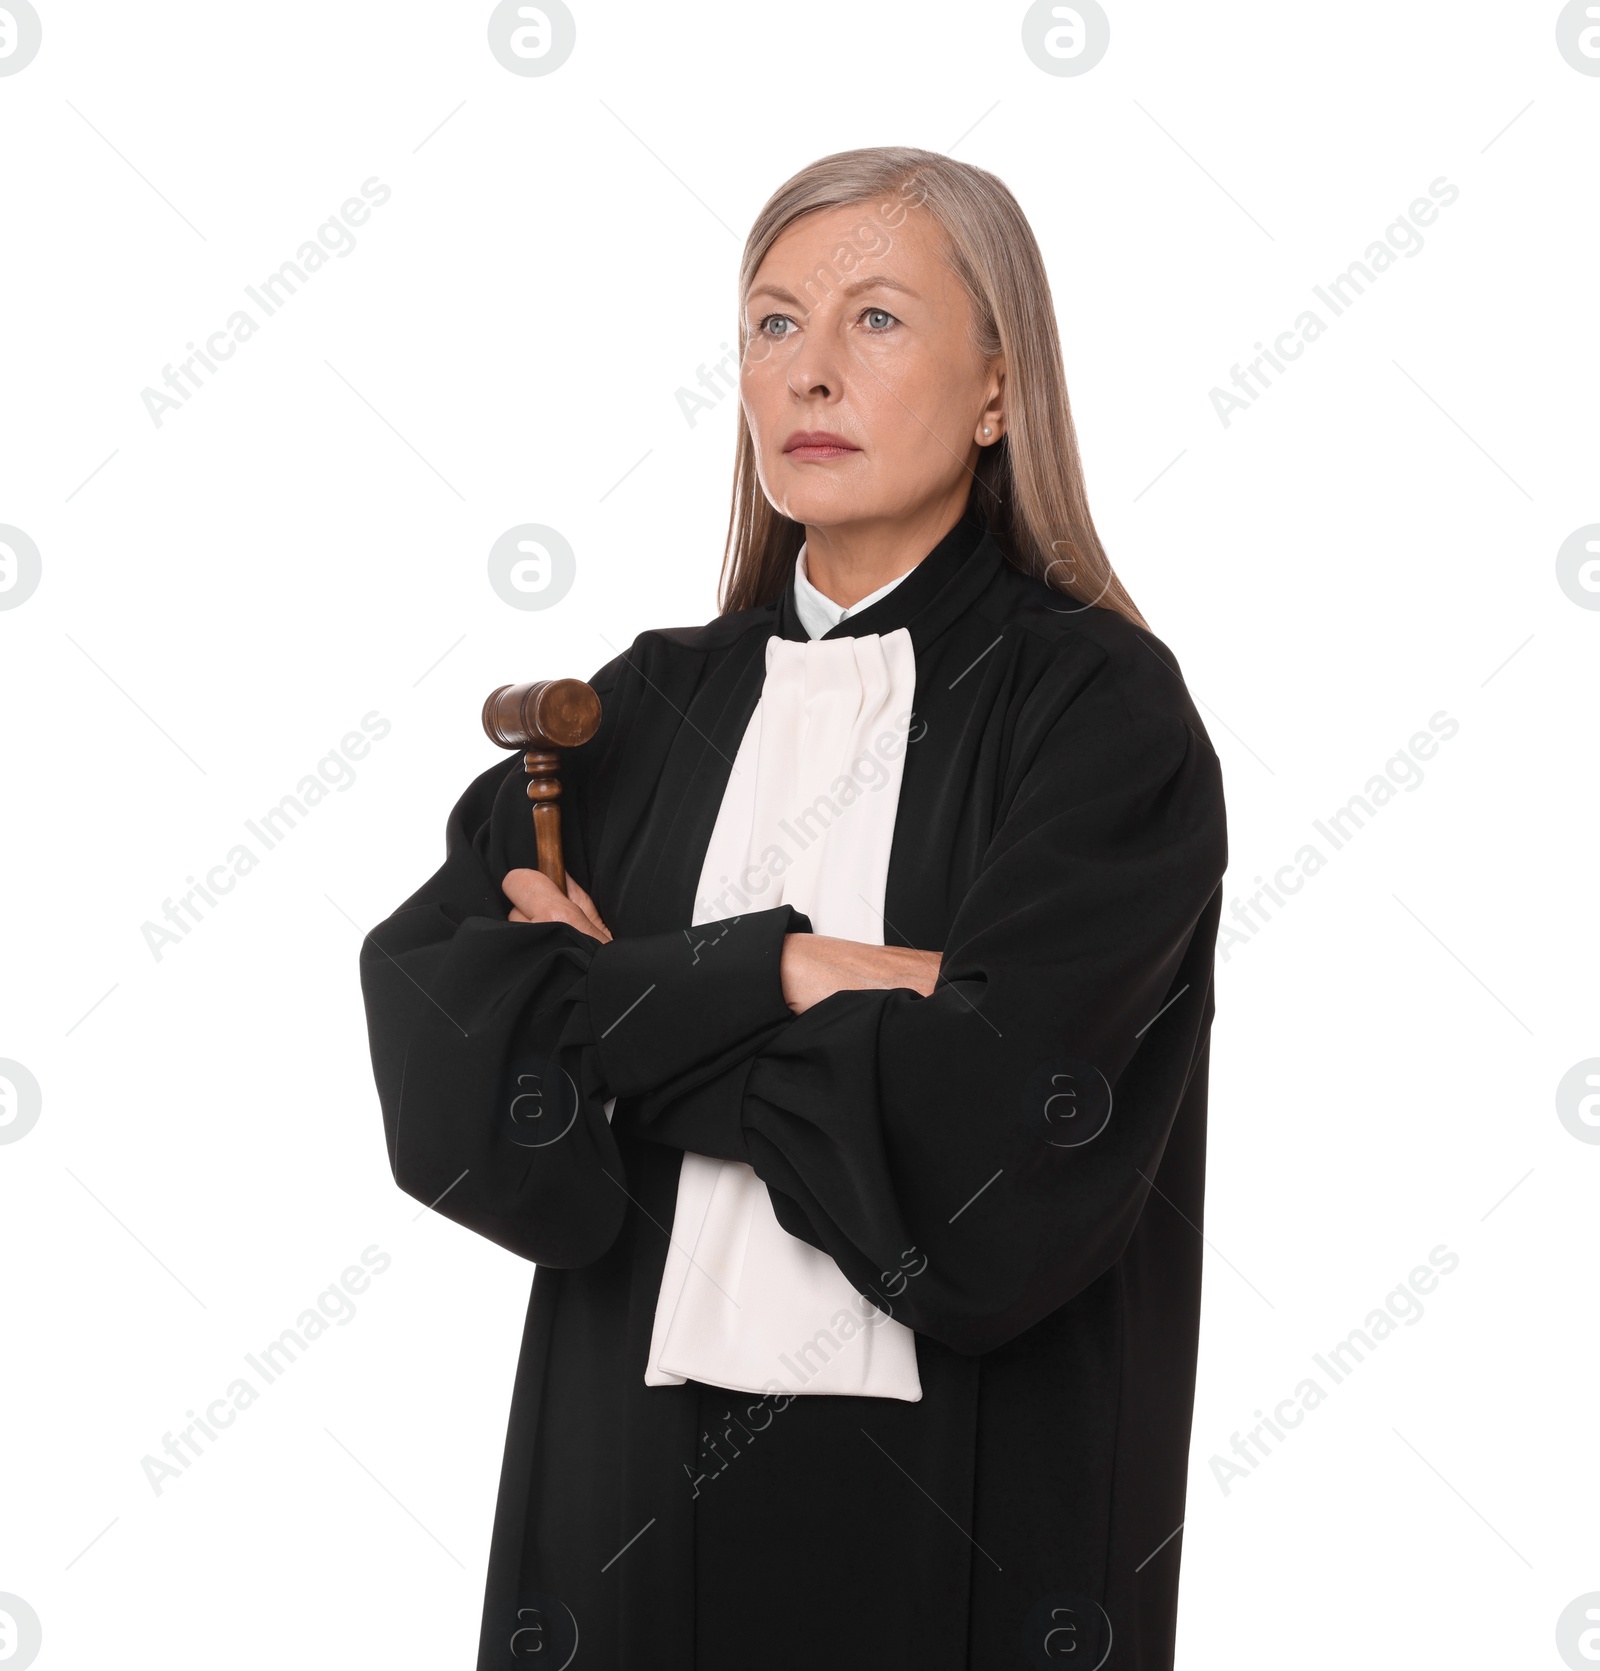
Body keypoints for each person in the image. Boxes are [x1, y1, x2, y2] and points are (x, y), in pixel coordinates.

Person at [360, 144, 1228, 1671]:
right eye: (773, 324)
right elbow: (452, 1068)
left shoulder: (1104, 717)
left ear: (998, 390)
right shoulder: (627, 713)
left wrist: (625, 1012)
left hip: (957, 1521)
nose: (810, 370)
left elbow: (999, 1128)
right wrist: (805, 971)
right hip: (614, 1503)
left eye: (877, 320)